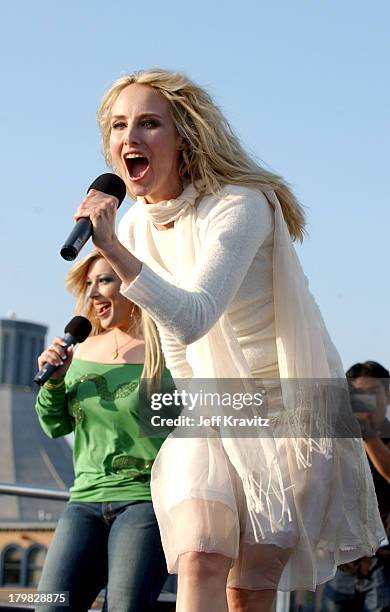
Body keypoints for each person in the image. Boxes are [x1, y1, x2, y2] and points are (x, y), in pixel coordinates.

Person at [73, 68, 385, 612]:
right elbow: (176, 340)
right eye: (120, 126)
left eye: (150, 123)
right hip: (211, 405)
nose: (131, 137)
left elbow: (195, 315)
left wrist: (114, 253)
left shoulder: (240, 204)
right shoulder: (136, 227)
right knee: (198, 556)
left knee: (247, 590)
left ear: (185, 137)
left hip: (284, 407)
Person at [35, 250, 169, 612]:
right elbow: (54, 425)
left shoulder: (166, 354)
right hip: (83, 500)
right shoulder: (78, 351)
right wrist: (54, 383)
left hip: (144, 503)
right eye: (89, 283)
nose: (93, 293)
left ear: (134, 285)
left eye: (105, 280)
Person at [321, 361, 390, 611]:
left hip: (385, 566)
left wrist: (368, 434)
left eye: (372, 392)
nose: (364, 401)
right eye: (356, 394)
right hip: (343, 565)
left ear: (388, 395)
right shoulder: (338, 441)